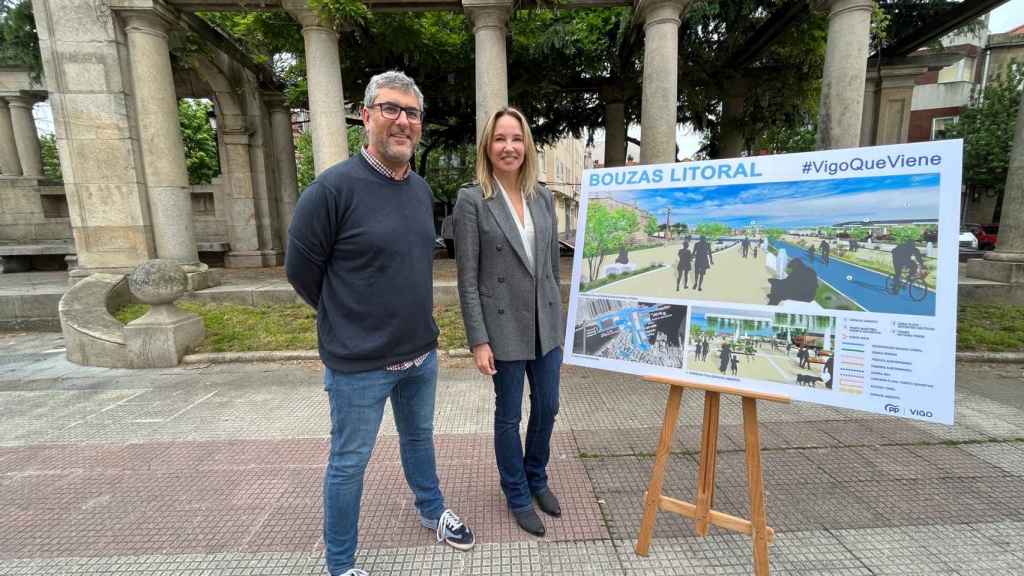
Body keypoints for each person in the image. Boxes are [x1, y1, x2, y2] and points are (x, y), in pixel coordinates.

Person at [286, 71, 474, 576]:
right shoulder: (331, 190)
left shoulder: (419, 190)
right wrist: (346, 318)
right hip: (359, 365)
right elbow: (301, 273)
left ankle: (432, 510)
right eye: (391, 109)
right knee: (349, 464)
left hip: (419, 355)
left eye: (412, 113)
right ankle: (341, 564)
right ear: (366, 116)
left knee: (420, 439)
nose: (403, 121)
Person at [454, 107, 564, 538]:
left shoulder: (544, 197)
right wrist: (479, 339)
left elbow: (552, 270)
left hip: (545, 324)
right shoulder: (472, 199)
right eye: (500, 139)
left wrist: (561, 325)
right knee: (508, 416)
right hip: (502, 328)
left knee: (549, 405)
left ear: (526, 145)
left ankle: (537, 477)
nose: (508, 147)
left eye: (516, 138)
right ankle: (516, 492)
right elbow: (466, 278)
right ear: (488, 146)